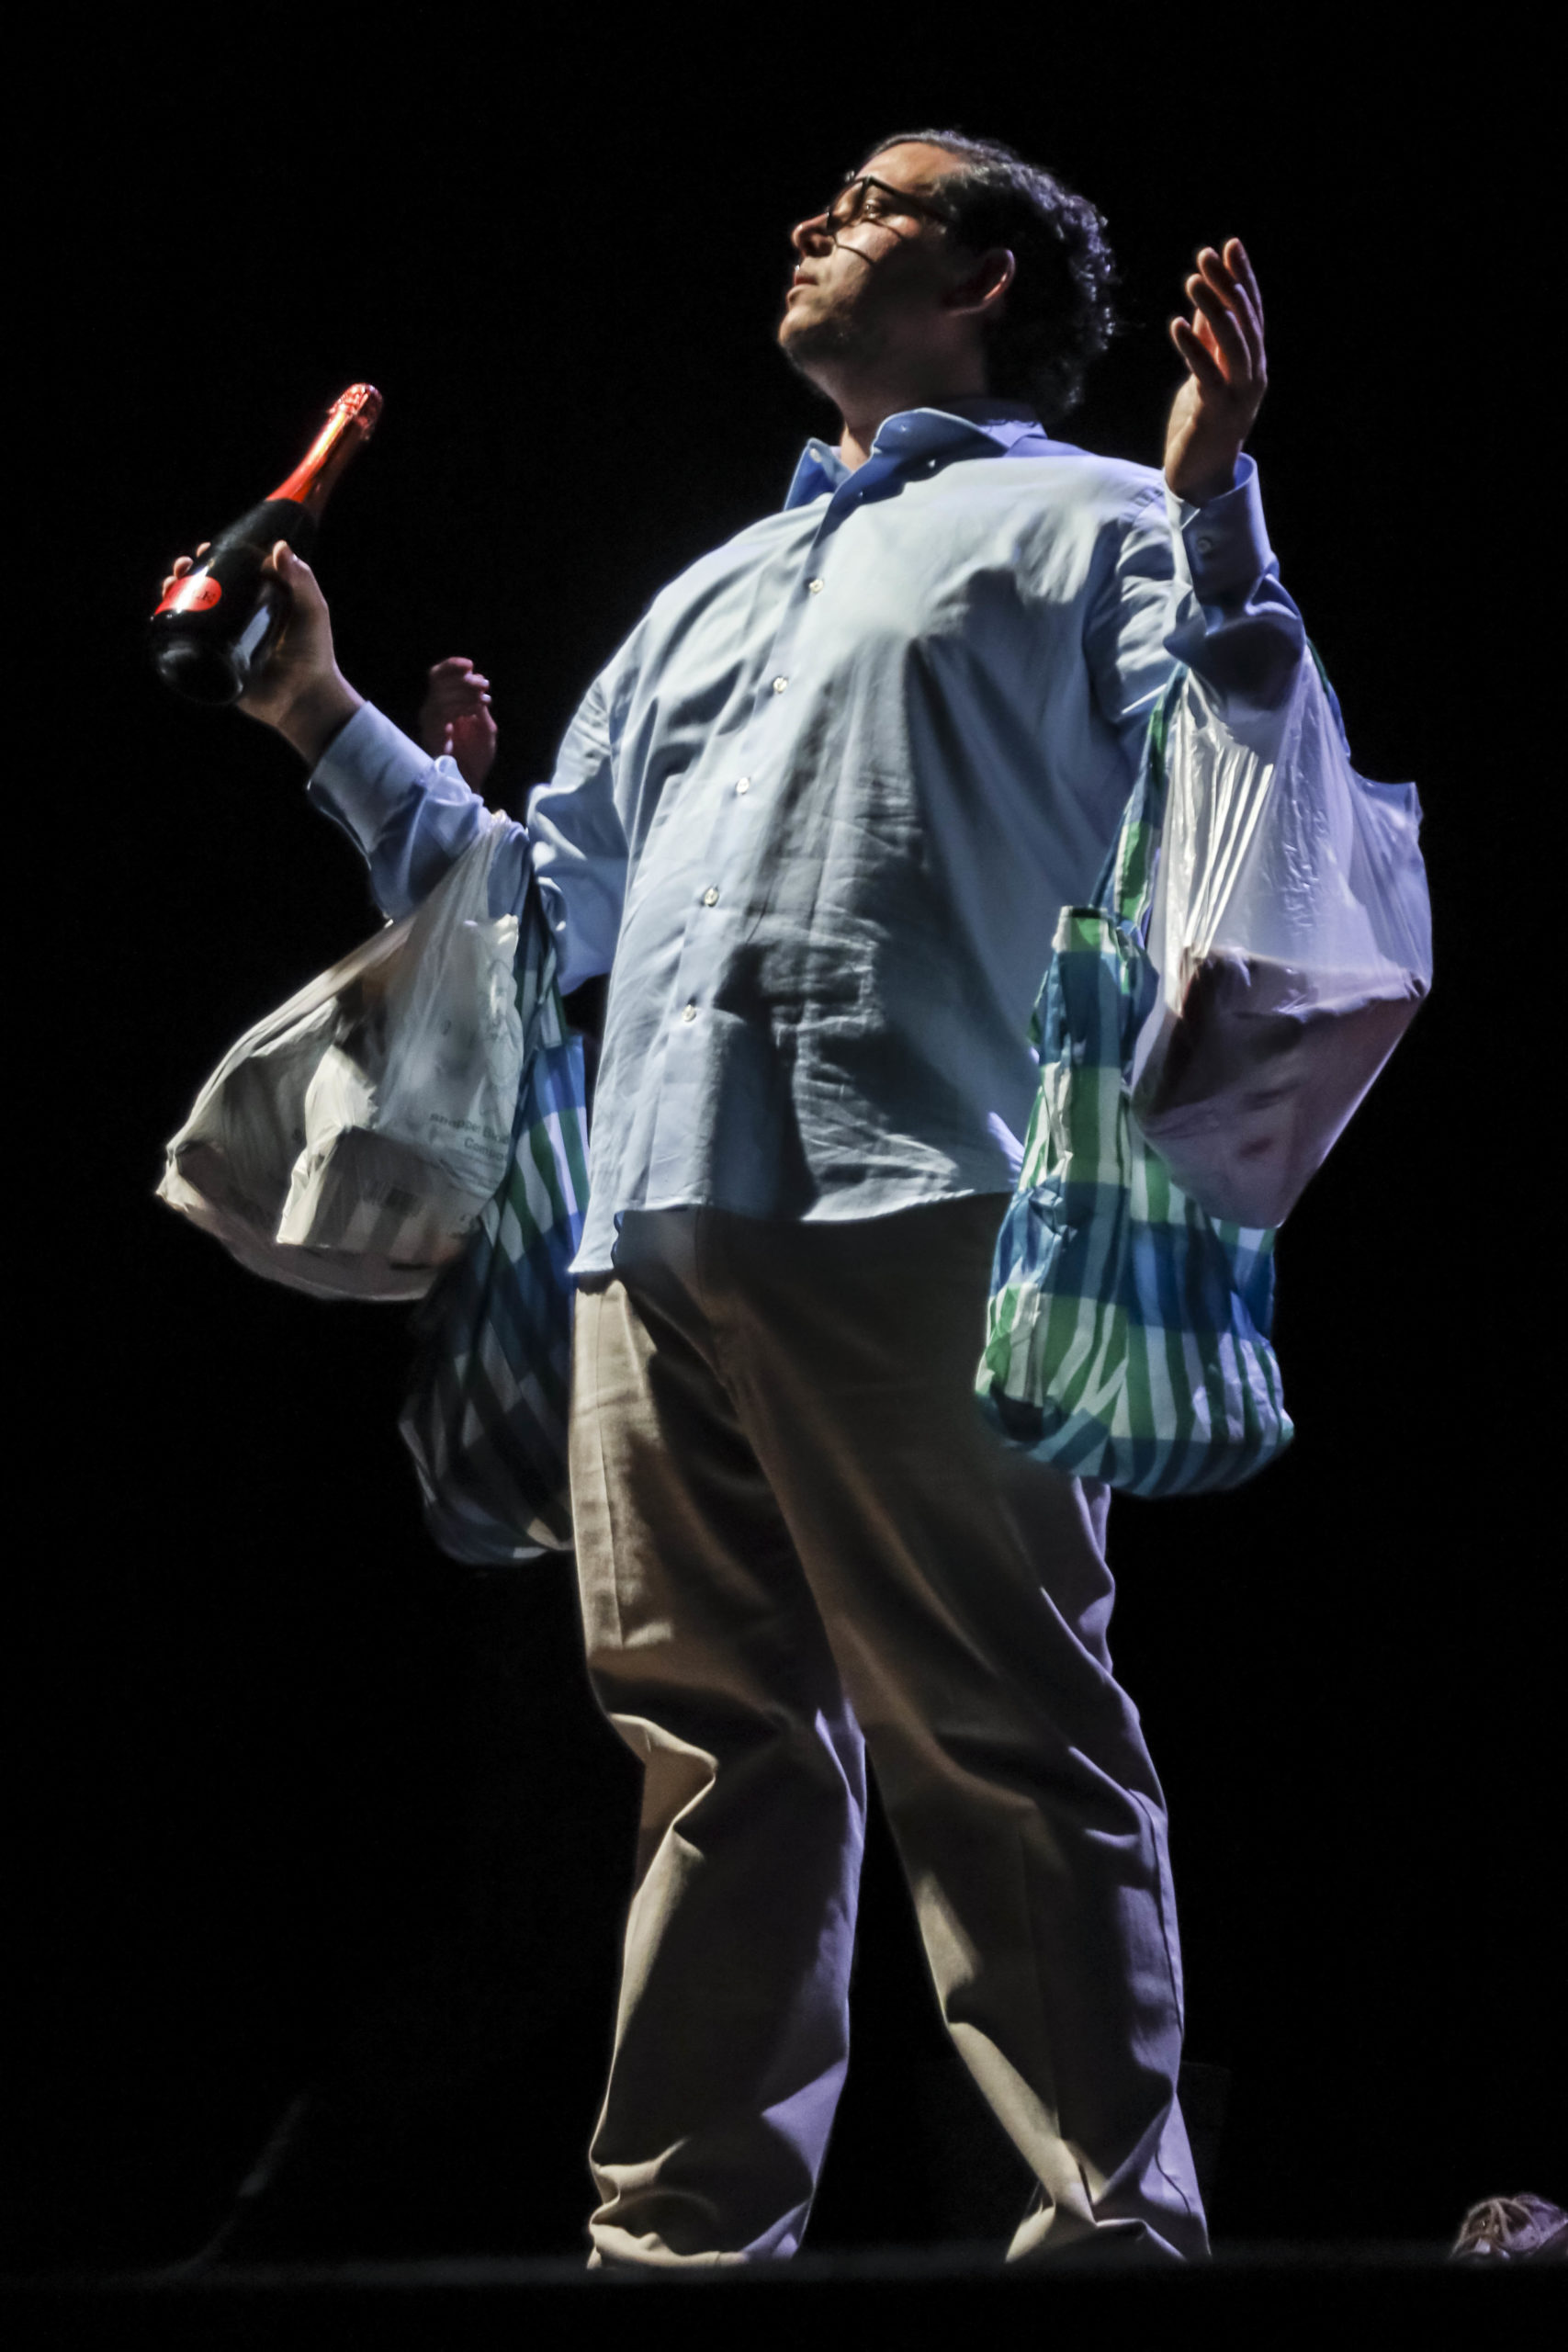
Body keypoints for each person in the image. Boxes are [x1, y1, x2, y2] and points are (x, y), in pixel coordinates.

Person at [164, 130, 1301, 2267]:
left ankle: (1109, 2238)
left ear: (980, 276)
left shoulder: (1093, 517)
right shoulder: (714, 586)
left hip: (922, 1197)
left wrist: (1214, 492)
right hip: (653, 1226)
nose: (805, 224)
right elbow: (529, 908)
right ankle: (681, 2250)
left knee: (1002, 1726)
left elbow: (1250, 755)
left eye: (864, 205)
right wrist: (320, 711)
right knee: (710, 1750)